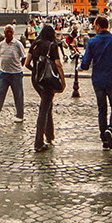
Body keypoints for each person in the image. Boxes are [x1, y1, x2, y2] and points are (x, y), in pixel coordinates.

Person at [79, 16, 112, 149]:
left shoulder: (92, 42)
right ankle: (111, 129)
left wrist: (80, 66)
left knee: (102, 110)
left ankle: (104, 139)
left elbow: (85, 64)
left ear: (97, 26)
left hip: (98, 80)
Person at [24, 24, 65, 152]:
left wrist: (36, 71)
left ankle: (49, 135)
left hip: (36, 80)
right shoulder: (52, 45)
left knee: (47, 105)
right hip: (48, 81)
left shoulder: (35, 43)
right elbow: (58, 64)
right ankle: (38, 142)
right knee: (44, 109)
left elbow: (26, 63)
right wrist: (62, 81)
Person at [0, 25, 25, 123]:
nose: (8, 34)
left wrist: (20, 67)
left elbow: (23, 57)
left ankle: (20, 115)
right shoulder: (1, 44)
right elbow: (1, 55)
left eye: (10, 32)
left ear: (13, 33)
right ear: (4, 33)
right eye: (7, 32)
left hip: (16, 73)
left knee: (18, 95)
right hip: (4, 73)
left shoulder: (18, 44)